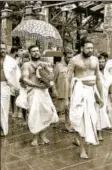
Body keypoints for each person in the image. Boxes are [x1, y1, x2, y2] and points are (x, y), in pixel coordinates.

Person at [67, 40, 104, 159]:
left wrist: (101, 96)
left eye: (91, 48)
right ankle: (83, 149)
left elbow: (98, 78)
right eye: (87, 48)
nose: (90, 50)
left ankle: (78, 137)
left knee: (92, 118)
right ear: (82, 47)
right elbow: (68, 79)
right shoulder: (74, 60)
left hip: (92, 92)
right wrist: (68, 98)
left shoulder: (95, 60)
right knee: (81, 119)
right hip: (79, 92)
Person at [21, 45, 59, 146]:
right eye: (33, 51)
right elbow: (25, 79)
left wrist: (53, 89)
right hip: (33, 91)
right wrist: (37, 85)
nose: (36, 53)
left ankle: (43, 135)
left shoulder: (45, 64)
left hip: (44, 92)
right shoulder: (26, 65)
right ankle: (35, 137)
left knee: (47, 112)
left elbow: (51, 79)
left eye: (37, 51)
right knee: (34, 114)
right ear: (30, 53)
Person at [0, 42, 21, 136]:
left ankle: (3, 129)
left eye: (4, 48)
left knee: (4, 109)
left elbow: (17, 74)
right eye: (0, 48)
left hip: (5, 86)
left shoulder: (10, 61)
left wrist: (16, 87)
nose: (2, 50)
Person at [54, 48, 73, 132]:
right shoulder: (58, 66)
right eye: (68, 57)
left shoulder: (72, 66)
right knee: (58, 109)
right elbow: (53, 79)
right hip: (60, 92)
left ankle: (67, 125)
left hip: (69, 92)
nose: (70, 59)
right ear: (64, 56)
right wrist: (54, 90)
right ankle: (55, 121)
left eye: (71, 57)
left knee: (68, 109)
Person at [96, 52, 111, 140]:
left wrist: (110, 94)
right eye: (100, 62)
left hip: (105, 96)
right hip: (98, 95)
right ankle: (99, 134)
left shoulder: (107, 73)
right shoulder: (96, 72)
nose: (102, 63)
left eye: (103, 62)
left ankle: (100, 130)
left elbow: (109, 84)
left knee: (105, 112)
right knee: (99, 113)